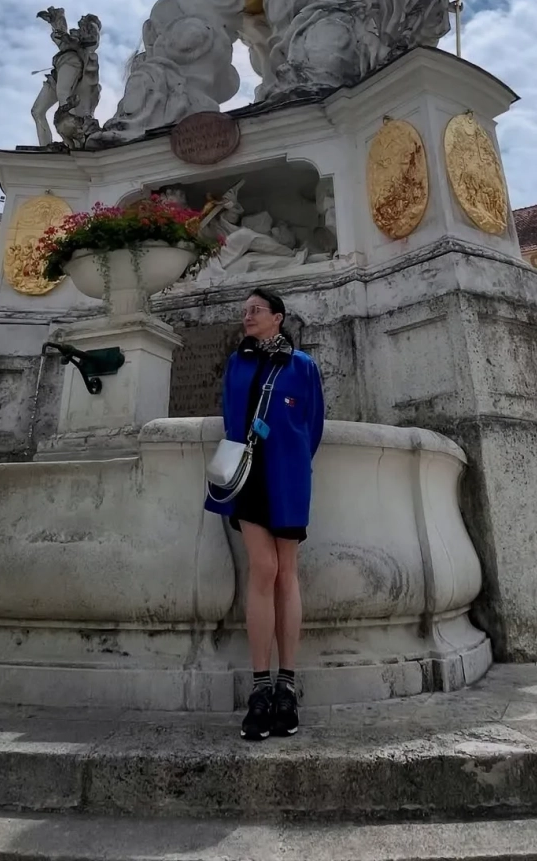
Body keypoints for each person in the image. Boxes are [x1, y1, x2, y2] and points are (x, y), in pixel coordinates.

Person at [205, 288, 325, 740]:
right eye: (245, 311)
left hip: (288, 476)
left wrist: (291, 458)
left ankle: (286, 685)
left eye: (256, 310)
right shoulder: (238, 363)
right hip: (249, 476)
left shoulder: (302, 366)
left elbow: (313, 426)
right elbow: (229, 415)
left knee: (286, 571)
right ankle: (260, 686)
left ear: (278, 317)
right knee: (264, 568)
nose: (248, 316)